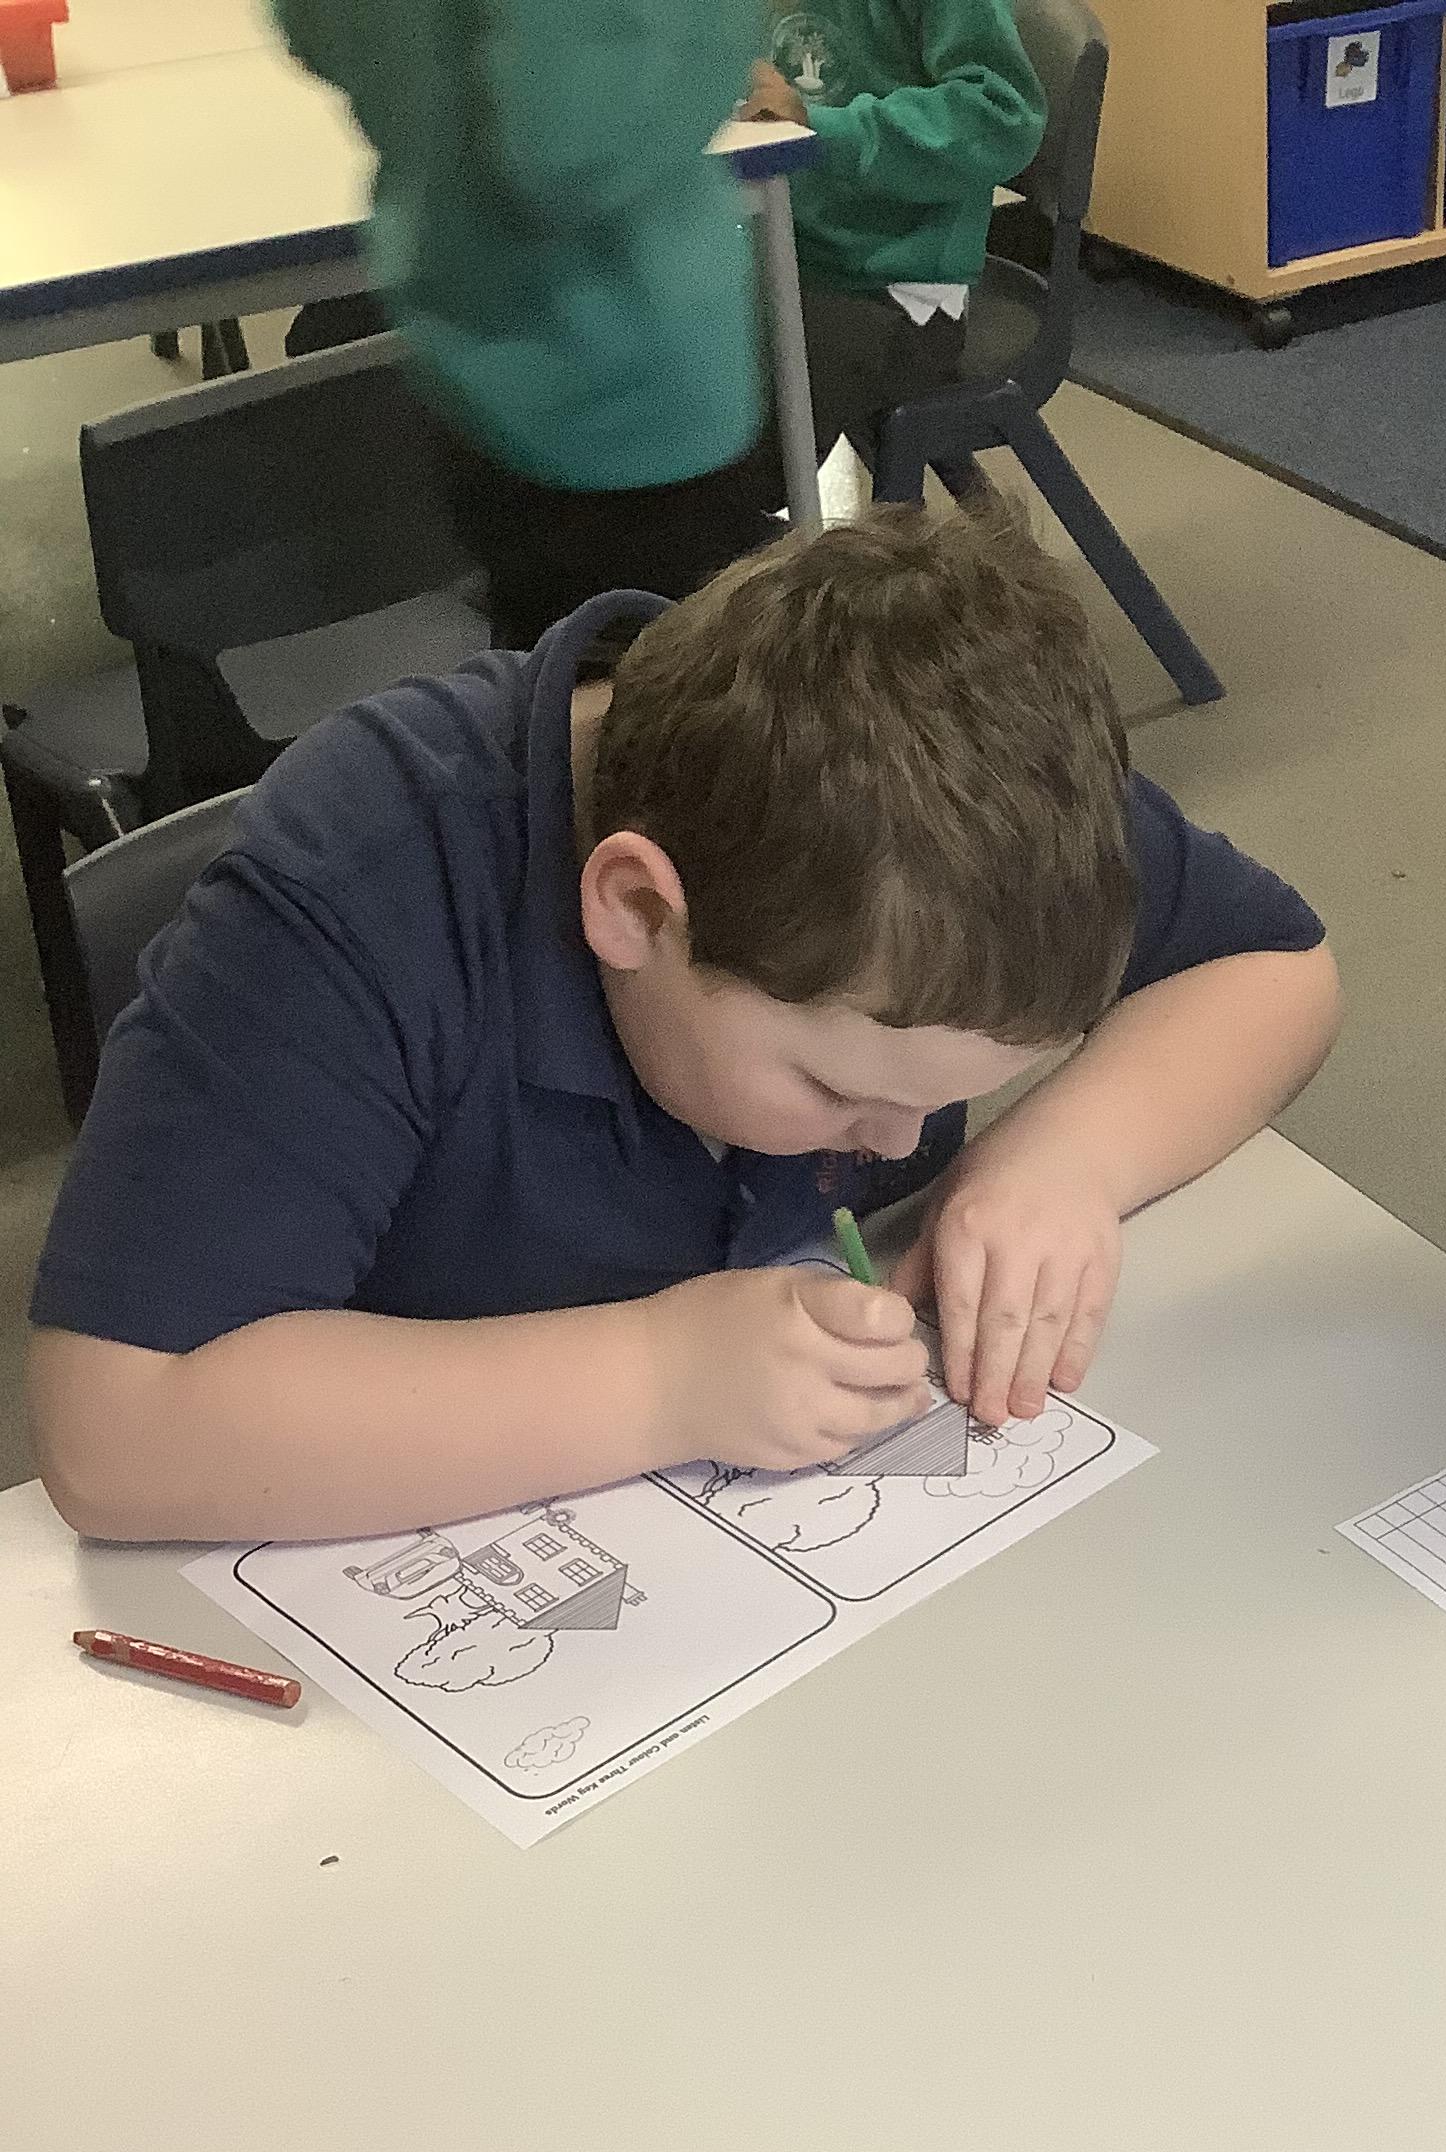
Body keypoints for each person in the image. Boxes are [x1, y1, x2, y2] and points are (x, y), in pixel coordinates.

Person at [29, 510, 1341, 1547]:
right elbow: (114, 1431)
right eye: (833, 1089)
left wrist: (1061, 1164)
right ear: (637, 909)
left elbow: (1278, 970)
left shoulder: (965, 818)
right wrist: (658, 1381)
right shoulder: (368, 882)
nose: (900, 1141)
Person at [272, 0, 779, 646]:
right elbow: (565, 142)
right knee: (667, 688)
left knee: (546, 673)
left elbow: (315, 30)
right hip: (627, 387)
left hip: (471, 341)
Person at [740, 0, 1046, 476]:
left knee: (717, 435)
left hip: (890, 289)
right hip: (781, 257)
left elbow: (1004, 118)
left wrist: (819, 130)